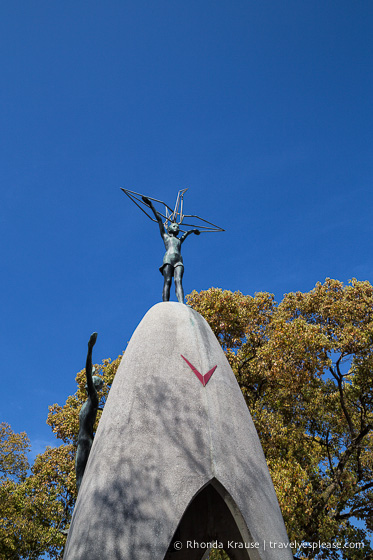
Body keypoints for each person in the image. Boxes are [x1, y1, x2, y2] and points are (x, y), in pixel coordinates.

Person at [142, 196, 200, 303]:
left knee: (178, 281)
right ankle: (165, 304)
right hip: (168, 259)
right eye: (174, 226)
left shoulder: (179, 240)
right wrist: (151, 205)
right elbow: (159, 220)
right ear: (168, 229)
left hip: (178, 261)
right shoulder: (165, 237)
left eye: (177, 226)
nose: (176, 227)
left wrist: (193, 231)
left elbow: (185, 234)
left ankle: (182, 303)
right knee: (167, 281)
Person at [75, 332, 103, 493]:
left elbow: (87, 371)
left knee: (81, 481)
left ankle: (81, 516)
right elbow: (89, 373)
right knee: (80, 479)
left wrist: (90, 349)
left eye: (91, 382)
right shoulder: (90, 402)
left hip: (85, 442)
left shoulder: (93, 398)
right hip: (82, 441)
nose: (87, 384)